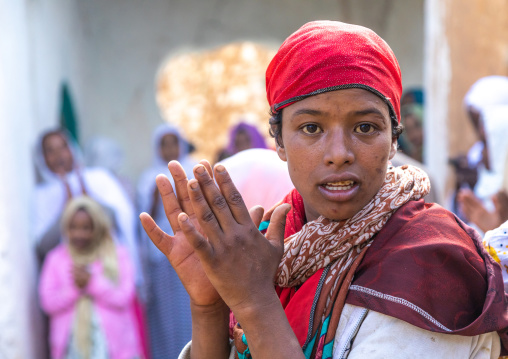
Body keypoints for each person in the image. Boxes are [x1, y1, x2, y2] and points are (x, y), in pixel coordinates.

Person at [140, 21, 508, 358]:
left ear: (393, 140)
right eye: (312, 129)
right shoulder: (277, 242)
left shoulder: (431, 261)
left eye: (365, 127)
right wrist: (211, 306)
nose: (339, 154)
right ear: (279, 143)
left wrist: (253, 302)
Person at [32, 129, 142, 283]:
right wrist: (67, 211)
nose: (59, 155)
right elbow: (43, 247)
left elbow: (121, 220)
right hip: (69, 278)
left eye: (63, 147)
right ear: (41, 158)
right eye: (50, 151)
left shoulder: (98, 178)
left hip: (109, 270)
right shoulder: (42, 195)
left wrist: (87, 201)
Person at [39, 196, 142, 359]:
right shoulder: (56, 259)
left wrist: (92, 283)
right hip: (72, 348)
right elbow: (48, 302)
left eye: (86, 227)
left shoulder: (117, 255)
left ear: (98, 227)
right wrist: (75, 288)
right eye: (73, 227)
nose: (79, 234)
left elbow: (124, 296)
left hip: (114, 347)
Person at [136, 123, 196, 359]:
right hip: (159, 256)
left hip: (191, 251)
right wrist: (154, 195)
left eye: (174, 143)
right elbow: (143, 218)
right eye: (164, 144)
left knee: (190, 310)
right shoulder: (148, 179)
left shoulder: (191, 171)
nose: (170, 149)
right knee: (163, 314)